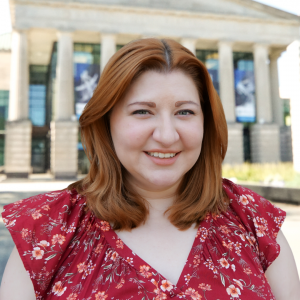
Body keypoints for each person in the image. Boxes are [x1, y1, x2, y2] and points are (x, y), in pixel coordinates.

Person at [0, 38, 299, 300]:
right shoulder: (46, 232)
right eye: (143, 111)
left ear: (206, 123)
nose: (167, 135)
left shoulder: (254, 223)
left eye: (185, 112)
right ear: (106, 122)